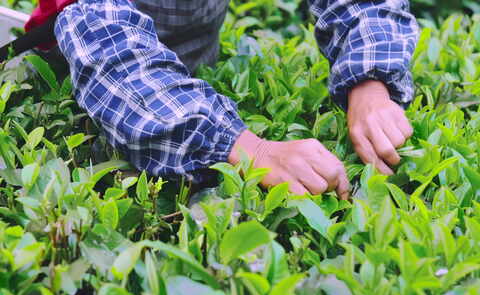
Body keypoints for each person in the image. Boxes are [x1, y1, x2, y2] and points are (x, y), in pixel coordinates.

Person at [25, 0, 419, 201]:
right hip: (73, 93)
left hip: (197, 69)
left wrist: (369, 79)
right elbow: (114, 58)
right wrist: (253, 149)